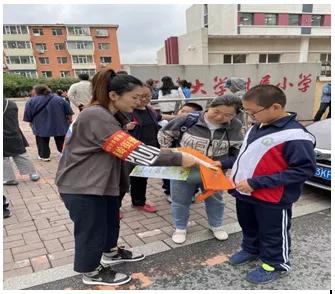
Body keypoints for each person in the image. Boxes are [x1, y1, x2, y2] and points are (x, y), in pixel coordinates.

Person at [55, 69, 208, 286]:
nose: (139, 103)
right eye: (135, 97)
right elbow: (133, 151)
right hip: (83, 185)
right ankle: (90, 270)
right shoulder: (96, 115)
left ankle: (111, 251)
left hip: (101, 183)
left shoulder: (111, 115)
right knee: (92, 229)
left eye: (142, 97)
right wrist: (178, 157)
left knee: (109, 221)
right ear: (114, 95)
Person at [213, 85, 316, 284]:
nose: (249, 116)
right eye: (246, 111)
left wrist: (256, 183)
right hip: (245, 193)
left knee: (273, 233)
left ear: (275, 107)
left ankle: (276, 264)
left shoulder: (295, 136)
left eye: (252, 112)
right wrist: (224, 163)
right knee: (248, 225)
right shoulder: (257, 126)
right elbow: (246, 156)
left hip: (273, 197)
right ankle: (251, 250)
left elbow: (303, 170)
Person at [158, 94, 244, 244]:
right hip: (183, 169)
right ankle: (180, 228)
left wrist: (224, 164)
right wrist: (169, 155)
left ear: (235, 115)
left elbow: (238, 151)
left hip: (214, 171)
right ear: (208, 107)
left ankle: (216, 226)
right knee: (180, 200)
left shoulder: (235, 126)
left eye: (228, 115)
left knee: (215, 200)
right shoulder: (188, 119)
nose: (219, 117)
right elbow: (165, 134)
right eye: (216, 111)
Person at [117, 86, 162, 213]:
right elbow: (112, 128)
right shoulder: (126, 111)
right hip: (131, 151)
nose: (144, 99)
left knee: (141, 177)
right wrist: (125, 127)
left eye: (148, 96)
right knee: (123, 180)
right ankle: (115, 207)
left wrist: (180, 116)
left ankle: (139, 202)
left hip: (148, 149)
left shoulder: (149, 110)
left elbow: (160, 118)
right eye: (140, 96)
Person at [161, 102, 203, 201]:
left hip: (189, 156)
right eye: (182, 111)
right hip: (172, 154)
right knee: (169, 174)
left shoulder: (196, 127)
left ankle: (192, 192)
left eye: (187, 113)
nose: (183, 114)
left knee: (192, 174)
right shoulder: (170, 123)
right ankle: (170, 192)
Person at [23, 85, 74, 161]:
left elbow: (28, 114)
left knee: (41, 140)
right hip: (59, 124)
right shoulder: (60, 99)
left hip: (40, 125)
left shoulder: (31, 101)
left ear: (36, 91)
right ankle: (63, 153)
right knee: (61, 139)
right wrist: (69, 121)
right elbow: (69, 112)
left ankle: (44, 156)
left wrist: (31, 123)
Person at [3, 98, 40, 185]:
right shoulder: (11, 104)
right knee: (21, 153)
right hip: (14, 131)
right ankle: (33, 173)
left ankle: (9, 178)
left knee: (3, 157)